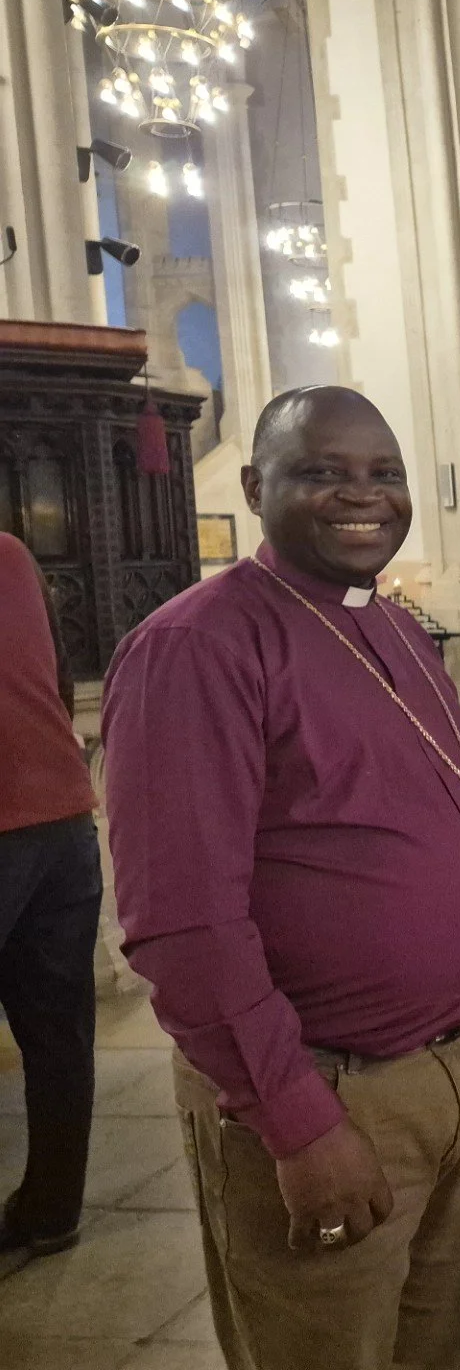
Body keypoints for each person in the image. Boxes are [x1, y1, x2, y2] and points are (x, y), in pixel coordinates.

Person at [102, 386, 460, 1370]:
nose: (364, 496)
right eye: (324, 472)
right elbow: (183, 925)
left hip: (458, 1066)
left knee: (432, 1343)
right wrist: (298, 1125)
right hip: (332, 1091)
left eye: (384, 474)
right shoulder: (196, 648)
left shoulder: (386, 623)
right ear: (256, 487)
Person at [0, 532, 103, 1265]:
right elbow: (61, 681)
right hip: (61, 819)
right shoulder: (12, 553)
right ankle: (50, 1210)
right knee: (58, 1034)